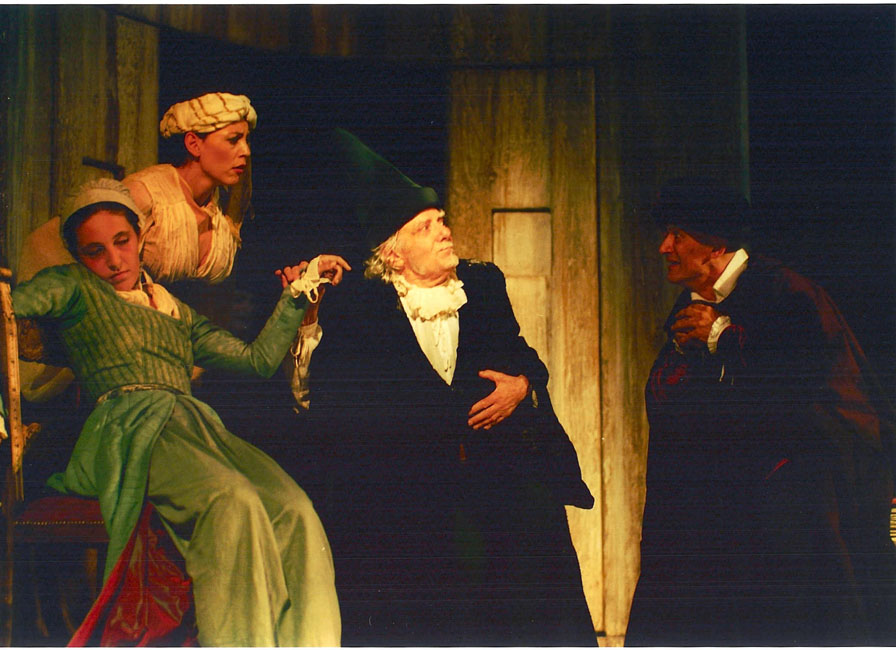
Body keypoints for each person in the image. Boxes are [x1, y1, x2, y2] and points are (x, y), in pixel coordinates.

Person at [10, 178, 350, 646]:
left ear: (140, 237)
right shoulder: (72, 286)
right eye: (95, 251)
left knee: (295, 510)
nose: (114, 260)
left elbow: (256, 361)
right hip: (131, 429)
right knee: (232, 501)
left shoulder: (176, 310)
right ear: (78, 257)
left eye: (122, 241)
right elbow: (14, 304)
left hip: (196, 429)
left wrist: (297, 293)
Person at [300, 129, 595, 646]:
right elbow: (336, 404)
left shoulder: (482, 285)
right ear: (395, 253)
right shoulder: (362, 306)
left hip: (493, 482)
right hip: (409, 497)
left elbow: (522, 355)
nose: (445, 232)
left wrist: (521, 385)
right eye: (427, 226)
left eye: (442, 221)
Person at [625, 178, 896, 646]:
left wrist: (723, 337)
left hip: (780, 520)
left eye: (678, 235)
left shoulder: (785, 292)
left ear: (716, 244)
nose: (664, 247)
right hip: (707, 518)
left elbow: (814, 397)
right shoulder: (693, 304)